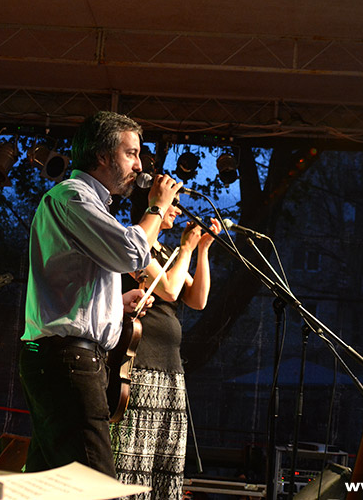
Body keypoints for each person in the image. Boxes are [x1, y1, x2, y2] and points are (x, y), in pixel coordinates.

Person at [19, 111, 182, 475]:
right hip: (68, 360)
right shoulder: (73, 197)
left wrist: (114, 304)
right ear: (103, 156)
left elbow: (72, 281)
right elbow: (130, 253)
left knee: (48, 483)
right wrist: (157, 207)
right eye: (131, 153)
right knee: (95, 482)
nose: (139, 165)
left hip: (63, 358)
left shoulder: (86, 203)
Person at [111, 184, 221, 499]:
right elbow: (170, 291)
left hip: (170, 369)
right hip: (140, 363)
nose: (177, 210)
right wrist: (185, 249)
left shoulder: (164, 250)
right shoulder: (135, 245)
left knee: (165, 457)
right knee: (134, 455)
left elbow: (197, 299)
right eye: (174, 203)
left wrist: (201, 250)